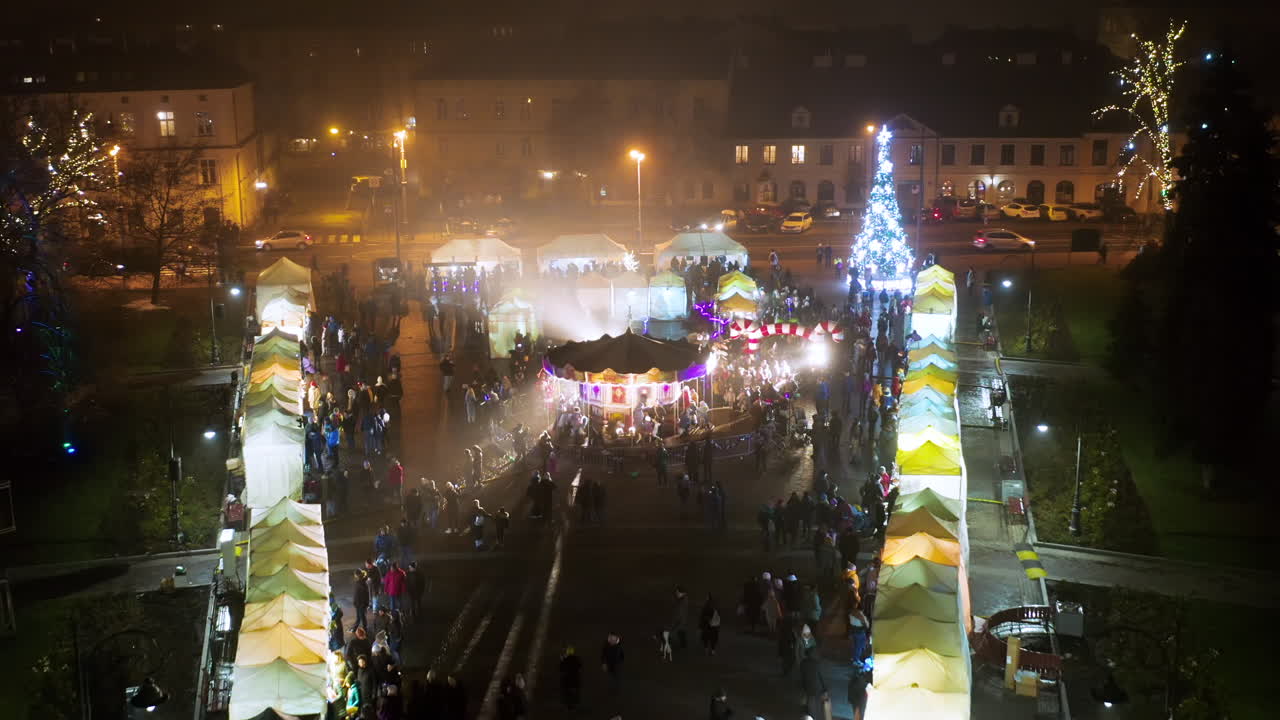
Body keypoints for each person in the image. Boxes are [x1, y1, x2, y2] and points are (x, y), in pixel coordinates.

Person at [799, 647, 829, 720]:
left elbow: (802, 676)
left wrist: (803, 687)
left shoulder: (803, 663)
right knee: (817, 705)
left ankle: (811, 716)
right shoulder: (816, 663)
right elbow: (821, 677)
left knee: (811, 703)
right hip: (817, 688)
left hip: (808, 687)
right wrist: (825, 689)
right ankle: (815, 717)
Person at [559, 645, 584, 710]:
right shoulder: (576, 659)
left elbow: (561, 668)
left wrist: (562, 660)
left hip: (567, 678)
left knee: (564, 689)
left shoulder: (565, 659)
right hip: (575, 677)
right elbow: (580, 667)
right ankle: (577, 700)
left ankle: (568, 702)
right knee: (577, 688)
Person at [670, 586, 690, 652]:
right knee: (681, 633)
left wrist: (675, 621)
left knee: (676, 632)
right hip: (682, 620)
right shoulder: (684, 599)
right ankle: (684, 645)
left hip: (680, 620)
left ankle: (682, 646)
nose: (676, 593)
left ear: (682, 593)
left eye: (678, 592)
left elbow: (679, 613)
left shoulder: (682, 602)